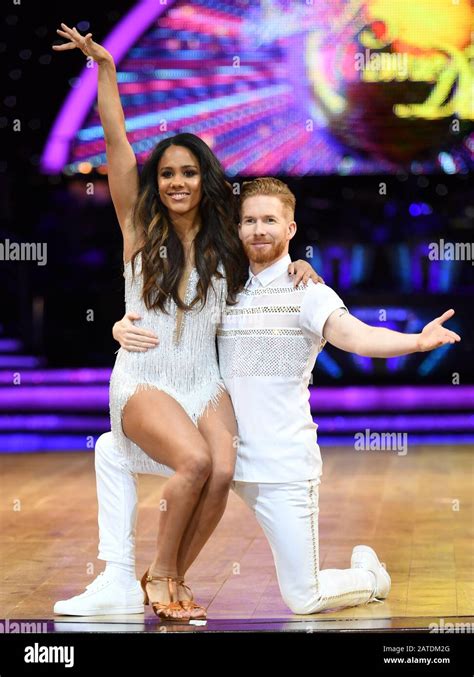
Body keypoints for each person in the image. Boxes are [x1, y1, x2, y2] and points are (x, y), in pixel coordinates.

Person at [57, 177, 461, 617]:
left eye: (270, 220)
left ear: (290, 228)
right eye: (249, 220)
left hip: (280, 467)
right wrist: (120, 327)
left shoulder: (308, 292)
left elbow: (356, 337)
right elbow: (167, 322)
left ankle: (368, 576)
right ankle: (119, 578)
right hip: (217, 458)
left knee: (303, 598)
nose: (258, 229)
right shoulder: (222, 288)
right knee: (112, 450)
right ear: (237, 228)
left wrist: (415, 343)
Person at [52, 26, 320, 622]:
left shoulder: (227, 243)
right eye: (168, 173)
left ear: (206, 179)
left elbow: (271, 243)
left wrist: (299, 263)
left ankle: (164, 574)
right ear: (157, 181)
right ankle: (163, 577)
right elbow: (118, 142)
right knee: (195, 464)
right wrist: (106, 70)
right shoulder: (138, 228)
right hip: (145, 375)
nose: (176, 182)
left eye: (189, 173)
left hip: (205, 379)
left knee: (223, 470)